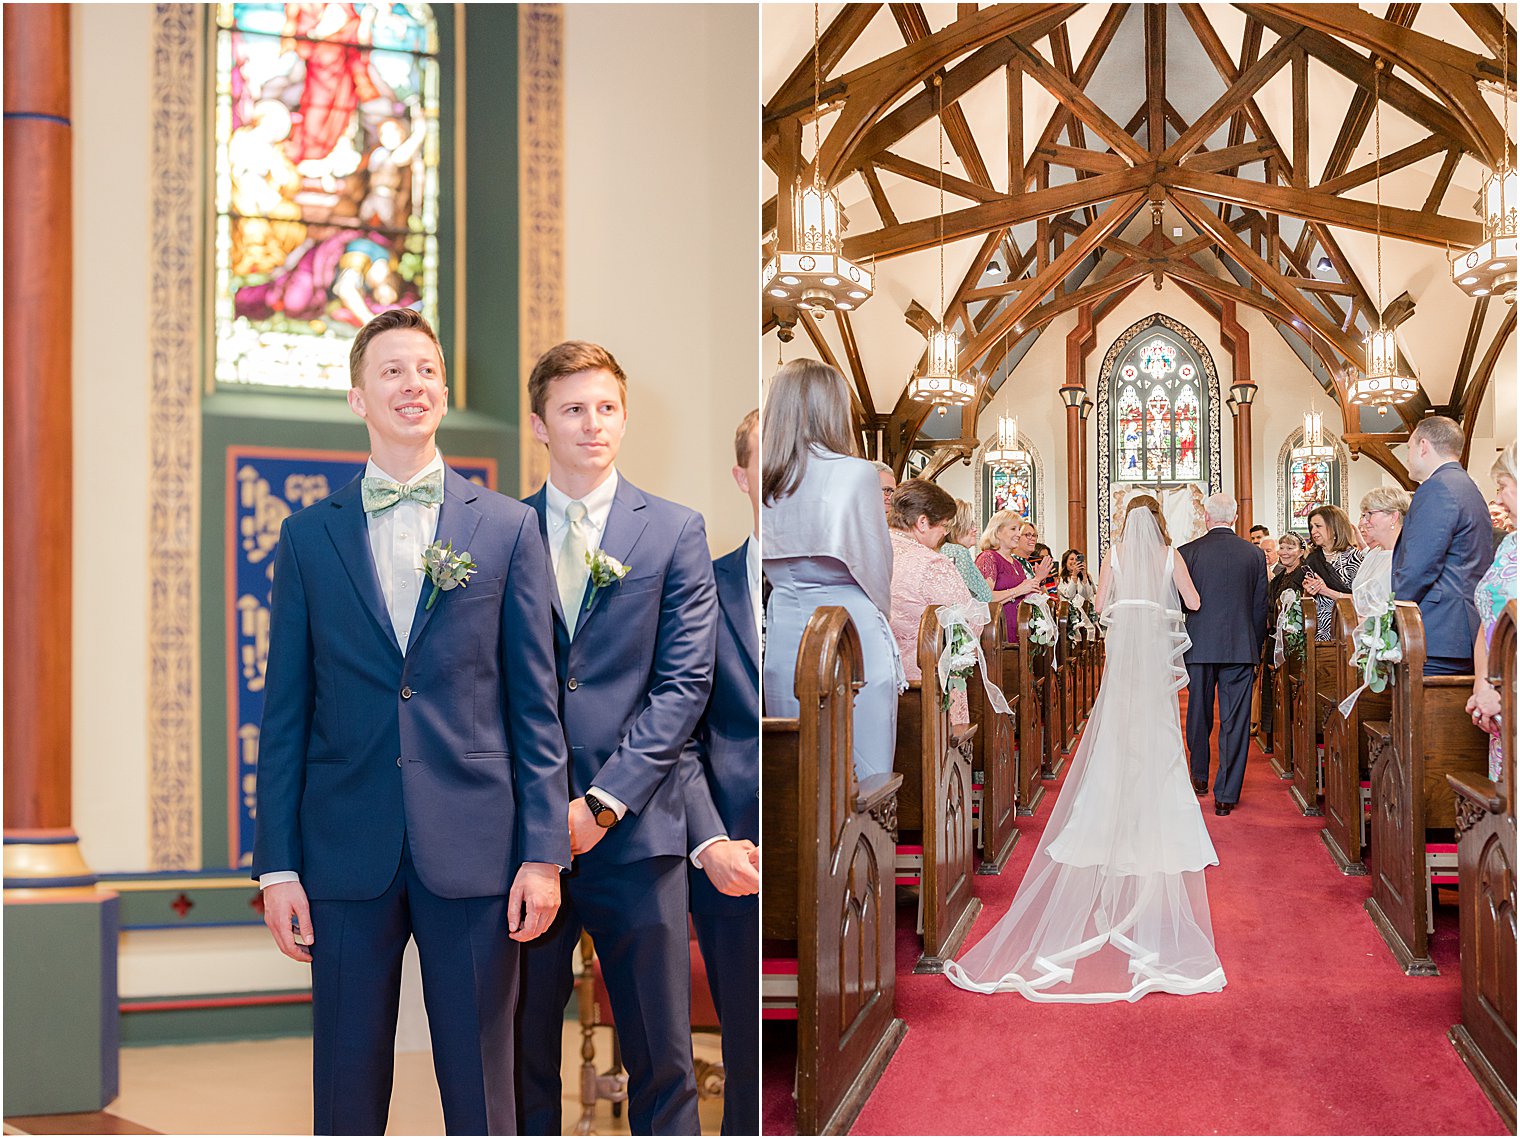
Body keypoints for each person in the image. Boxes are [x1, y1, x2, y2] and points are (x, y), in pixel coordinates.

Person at [253, 309, 569, 1135]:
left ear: (444, 390)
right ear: (358, 395)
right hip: (344, 847)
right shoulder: (307, 537)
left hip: (476, 846)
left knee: (481, 1087)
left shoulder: (506, 528)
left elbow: (536, 707)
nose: (413, 384)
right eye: (392, 371)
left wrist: (543, 853)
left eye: (426, 369)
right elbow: (283, 714)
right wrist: (277, 866)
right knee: (345, 1090)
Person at [517, 340, 718, 1136]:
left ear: (624, 416)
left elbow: (683, 685)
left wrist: (602, 802)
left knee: (662, 1058)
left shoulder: (672, 530)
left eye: (605, 407)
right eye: (572, 409)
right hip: (524, 837)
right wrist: (545, 811)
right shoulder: (501, 531)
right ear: (540, 424)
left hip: (637, 833)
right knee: (518, 1052)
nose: (592, 424)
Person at [944, 495, 1224, 1001]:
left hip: (1123, 650)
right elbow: (1195, 603)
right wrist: (1161, 603)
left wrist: (1128, 605)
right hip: (1154, 650)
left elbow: (1097, 607)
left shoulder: (1112, 554)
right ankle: (1153, 810)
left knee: (1116, 722)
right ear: (1158, 522)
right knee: (1158, 730)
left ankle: (1109, 806)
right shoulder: (1170, 554)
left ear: (1124, 523)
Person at [679, 410, 761, 1136]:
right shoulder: (702, 585)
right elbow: (682, 734)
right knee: (745, 1044)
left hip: (838, 834)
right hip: (733, 844)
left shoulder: (854, 581)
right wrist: (708, 840)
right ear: (741, 477)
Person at [762, 359, 902, 780]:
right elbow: (877, 565)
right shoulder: (857, 473)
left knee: (799, 766)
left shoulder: (766, 477)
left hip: (787, 627)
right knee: (863, 772)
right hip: (851, 631)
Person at [1178, 493, 1269, 814]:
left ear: (1206, 517)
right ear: (1235, 518)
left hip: (1199, 645)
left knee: (1198, 714)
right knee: (1235, 721)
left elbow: (1179, 606)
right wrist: (1254, 646)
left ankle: (1199, 776)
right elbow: (1261, 608)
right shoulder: (1254, 555)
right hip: (1240, 647)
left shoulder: (1187, 553)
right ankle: (1226, 796)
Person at [1393, 415, 1494, 675]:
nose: (1407, 457)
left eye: (1409, 448)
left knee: (1422, 715)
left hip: (1438, 631)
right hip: (1460, 629)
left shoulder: (1437, 488)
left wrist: (1391, 618)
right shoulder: (1467, 486)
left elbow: (1419, 566)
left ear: (1424, 446)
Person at [888, 479, 976, 724]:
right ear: (923, 522)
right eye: (944, 526)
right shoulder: (932, 564)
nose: (945, 534)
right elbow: (968, 625)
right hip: (928, 683)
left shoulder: (870, 550)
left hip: (875, 678)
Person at [1467, 443, 1517, 782]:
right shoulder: (1510, 545)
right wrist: (1483, 686)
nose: (1497, 499)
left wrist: (1508, 692)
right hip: (1498, 700)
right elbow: (1489, 621)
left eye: (1502, 486)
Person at [976, 514, 1054, 642]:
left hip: (1020, 632)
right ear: (997, 531)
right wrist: (1019, 590)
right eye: (1013, 529)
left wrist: (1037, 582)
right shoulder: (988, 558)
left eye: (1019, 529)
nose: (1018, 534)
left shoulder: (1017, 563)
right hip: (999, 634)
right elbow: (984, 599)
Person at [1303, 504, 1362, 641]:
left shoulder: (1354, 558)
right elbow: (1306, 600)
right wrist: (1308, 590)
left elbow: (1362, 600)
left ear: (1335, 527)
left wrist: (1325, 590)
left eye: (1318, 526)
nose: (1313, 531)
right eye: (1311, 527)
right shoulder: (1312, 559)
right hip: (1316, 631)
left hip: (1345, 630)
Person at [1350, 487, 1411, 619]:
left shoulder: (1406, 557)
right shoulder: (1373, 554)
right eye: (1363, 515)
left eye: (1369, 514)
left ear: (1393, 517)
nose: (1363, 522)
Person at [942, 499, 992, 603]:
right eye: (970, 524)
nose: (975, 529)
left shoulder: (942, 549)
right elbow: (970, 600)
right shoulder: (958, 552)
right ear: (957, 527)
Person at [1058, 549, 1099, 641]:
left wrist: (1084, 575)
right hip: (1070, 616)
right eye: (1071, 559)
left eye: (1077, 559)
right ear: (1065, 562)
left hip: (1086, 613)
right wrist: (1074, 576)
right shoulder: (1061, 579)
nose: (1074, 562)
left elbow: (1088, 595)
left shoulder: (1086, 576)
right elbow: (1069, 595)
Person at [1269, 532, 1308, 611]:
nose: (1284, 552)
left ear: (1301, 552)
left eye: (1289, 548)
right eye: (1281, 548)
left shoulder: (1306, 576)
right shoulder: (1277, 579)